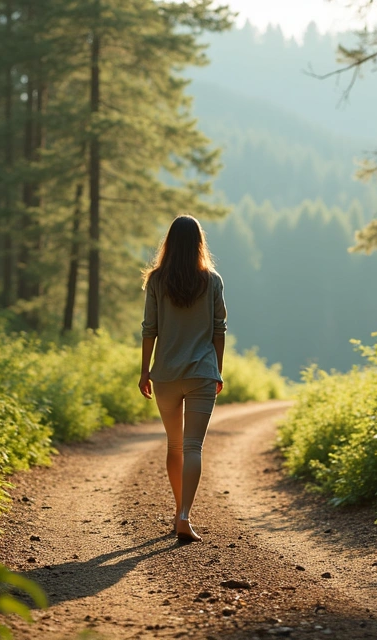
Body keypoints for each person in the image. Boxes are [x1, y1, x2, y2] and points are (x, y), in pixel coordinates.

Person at [138, 215, 227, 543]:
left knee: (174, 445)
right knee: (193, 447)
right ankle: (185, 515)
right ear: (199, 243)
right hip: (202, 373)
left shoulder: (157, 280)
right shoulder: (212, 280)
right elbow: (220, 329)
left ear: (170, 243)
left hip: (166, 374)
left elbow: (150, 328)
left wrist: (145, 370)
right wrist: (217, 368)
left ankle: (179, 513)